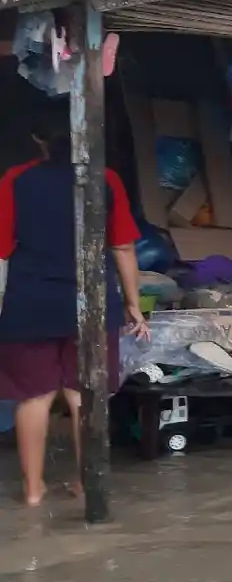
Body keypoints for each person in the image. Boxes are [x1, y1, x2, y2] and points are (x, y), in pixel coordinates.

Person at [0, 118, 149, 506]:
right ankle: (87, 486)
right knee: (85, 394)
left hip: (31, 302)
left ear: (38, 138)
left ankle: (33, 491)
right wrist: (134, 304)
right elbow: (123, 248)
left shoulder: (16, 180)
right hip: (94, 302)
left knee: (33, 397)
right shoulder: (106, 179)